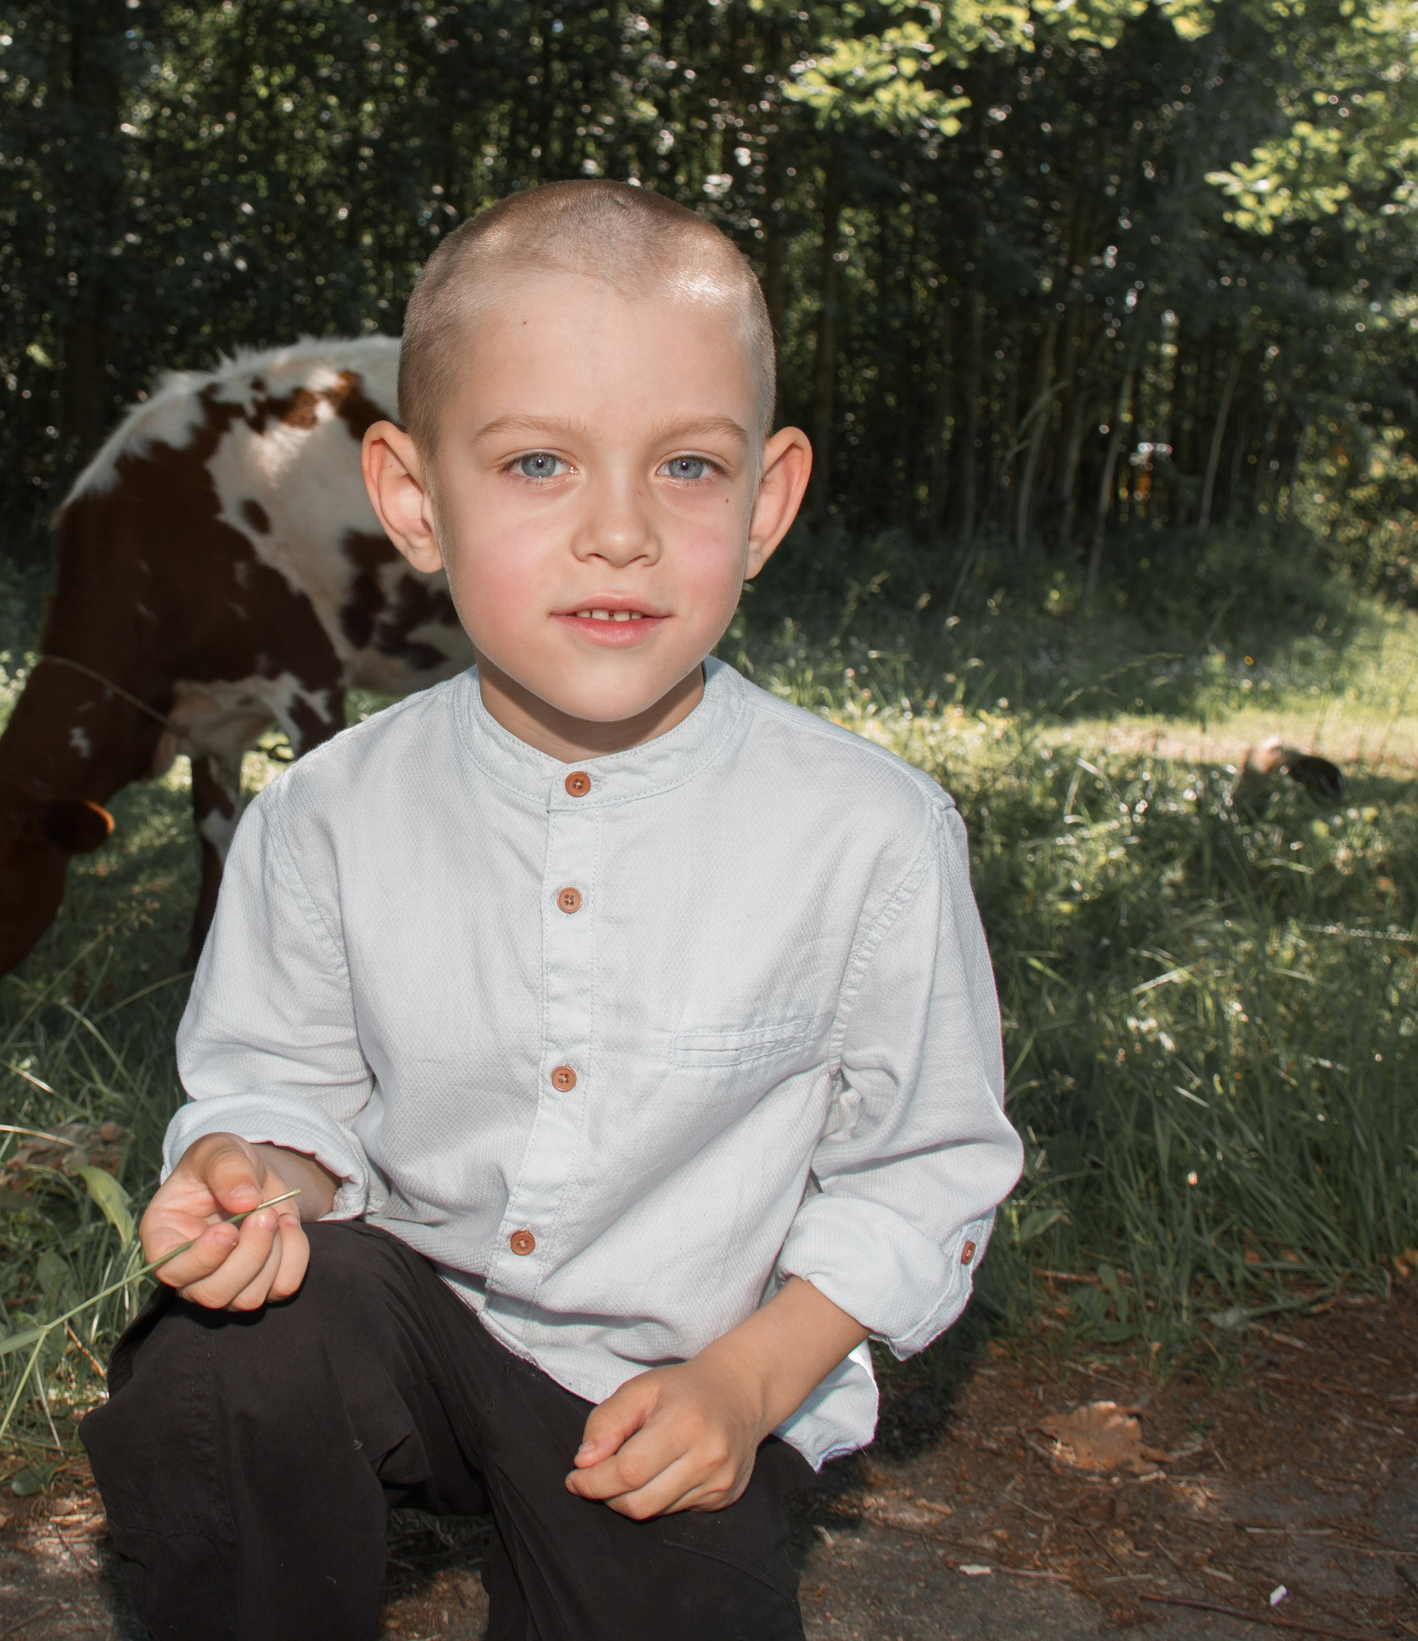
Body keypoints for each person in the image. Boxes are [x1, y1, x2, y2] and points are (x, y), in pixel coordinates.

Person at [79, 180, 1025, 1640]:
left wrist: (750, 1380)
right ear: (413, 499)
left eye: (689, 469)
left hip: (682, 1389)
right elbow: (287, 1086)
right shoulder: (325, 815)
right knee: (224, 1363)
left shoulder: (868, 834)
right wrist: (252, 1172)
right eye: (536, 462)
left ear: (768, 502)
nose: (621, 533)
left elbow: (924, 1169)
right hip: (409, 1327)